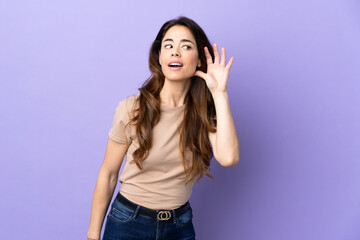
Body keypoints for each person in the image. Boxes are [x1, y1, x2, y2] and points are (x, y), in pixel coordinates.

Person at [87, 16, 240, 240]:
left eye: (186, 46)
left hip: (180, 225)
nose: (175, 52)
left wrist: (219, 94)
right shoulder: (132, 108)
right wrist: (93, 235)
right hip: (128, 221)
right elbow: (109, 174)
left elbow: (228, 158)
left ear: (198, 60)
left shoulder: (206, 113)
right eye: (168, 45)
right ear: (159, 57)